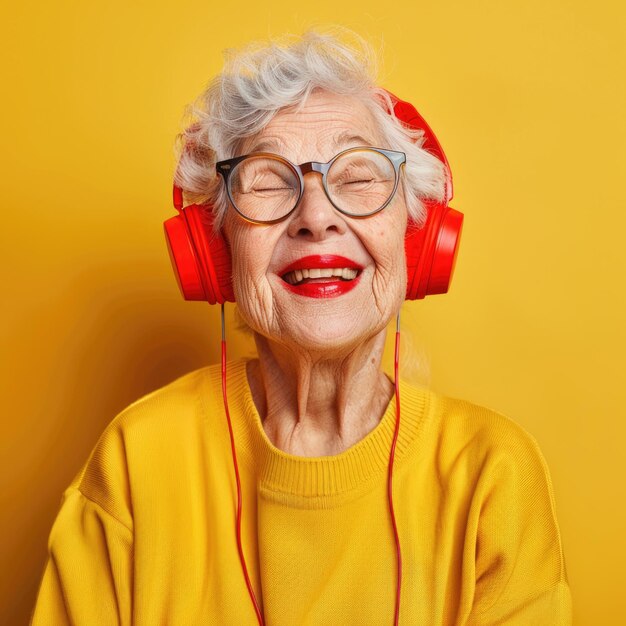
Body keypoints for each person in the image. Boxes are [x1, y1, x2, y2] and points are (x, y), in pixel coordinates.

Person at [30, 29, 572, 625]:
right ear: (217, 253)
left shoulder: (493, 473)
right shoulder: (137, 459)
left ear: (414, 237)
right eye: (266, 181)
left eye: (359, 177)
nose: (315, 217)